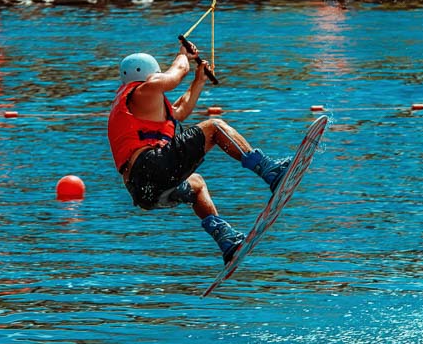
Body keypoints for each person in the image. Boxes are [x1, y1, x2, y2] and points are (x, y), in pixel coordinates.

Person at [109, 45, 290, 264]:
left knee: (196, 185)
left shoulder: (137, 104)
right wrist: (183, 55)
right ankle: (270, 171)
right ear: (151, 73)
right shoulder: (145, 88)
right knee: (214, 127)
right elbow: (176, 75)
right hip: (151, 166)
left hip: (142, 192)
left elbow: (180, 111)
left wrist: (199, 80)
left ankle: (226, 239)